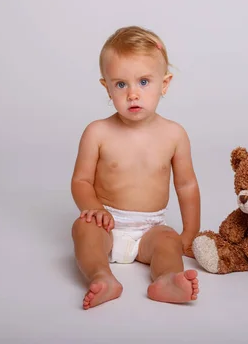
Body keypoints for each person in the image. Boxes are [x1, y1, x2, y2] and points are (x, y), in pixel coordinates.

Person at [70, 26, 201, 310]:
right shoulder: (97, 132)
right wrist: (94, 209)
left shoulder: (174, 135)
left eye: (143, 81)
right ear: (106, 86)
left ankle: (167, 280)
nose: (132, 94)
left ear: (164, 84)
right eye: (120, 84)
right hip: (108, 222)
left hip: (150, 229)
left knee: (169, 241)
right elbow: (81, 180)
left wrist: (189, 233)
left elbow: (186, 185)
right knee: (83, 229)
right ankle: (101, 276)